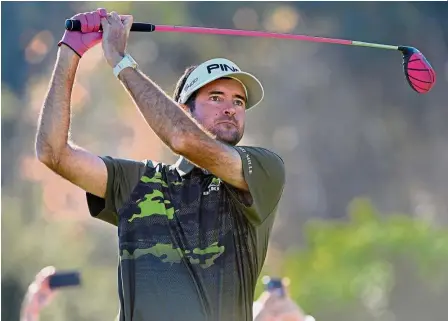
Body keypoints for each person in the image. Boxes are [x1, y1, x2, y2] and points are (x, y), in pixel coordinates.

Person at [35, 8, 285, 321]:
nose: (231, 109)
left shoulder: (263, 169)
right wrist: (70, 51)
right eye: (216, 97)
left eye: (238, 101)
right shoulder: (139, 183)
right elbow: (52, 152)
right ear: (184, 109)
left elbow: (183, 139)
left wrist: (120, 61)